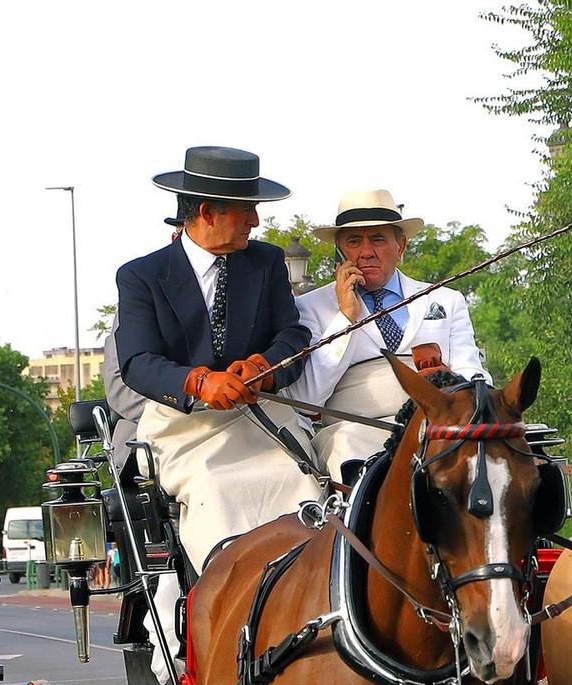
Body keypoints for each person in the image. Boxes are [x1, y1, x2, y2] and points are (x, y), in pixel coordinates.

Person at [114, 144, 315, 574]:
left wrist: (264, 367)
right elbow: (136, 361)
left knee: (303, 485)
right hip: (185, 429)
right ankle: (228, 596)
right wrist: (199, 382)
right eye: (247, 210)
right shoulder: (141, 276)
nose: (256, 222)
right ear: (207, 212)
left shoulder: (267, 262)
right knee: (215, 492)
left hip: (260, 421)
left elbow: (294, 335)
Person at [294, 189, 488, 474]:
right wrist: (346, 319)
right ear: (339, 252)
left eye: (378, 239)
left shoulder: (446, 300)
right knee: (345, 450)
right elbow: (306, 400)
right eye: (353, 241)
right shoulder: (311, 307)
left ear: (401, 247)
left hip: (438, 431)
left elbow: (475, 377)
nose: (366, 252)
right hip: (354, 435)